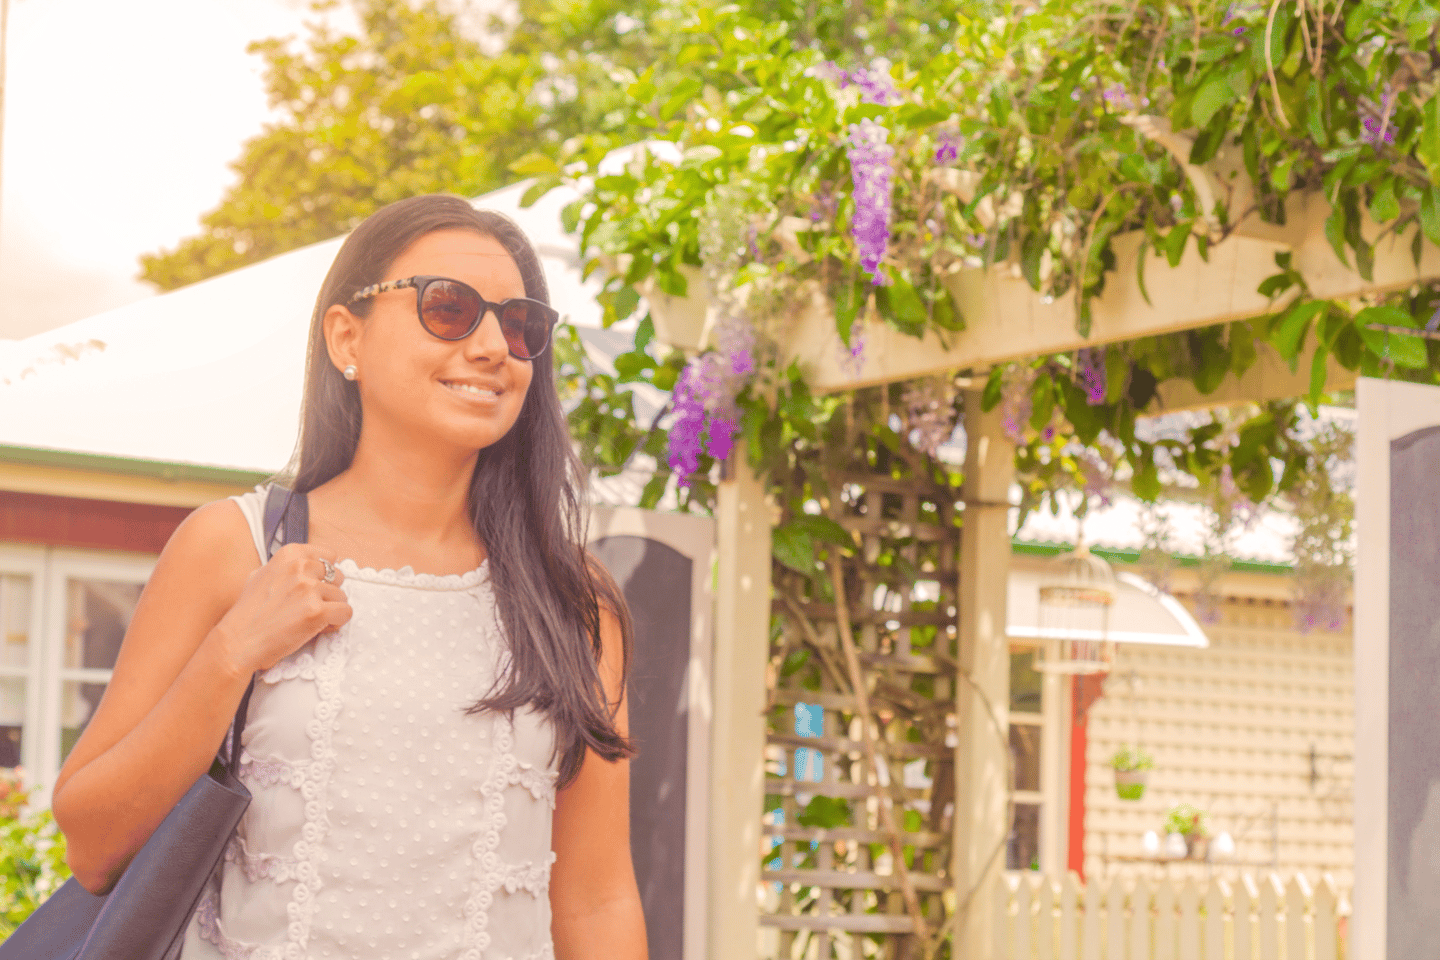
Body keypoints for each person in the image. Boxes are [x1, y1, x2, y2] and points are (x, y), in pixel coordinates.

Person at [49, 195, 648, 960]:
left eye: (520, 322)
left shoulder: (575, 601)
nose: (496, 344)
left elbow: (597, 903)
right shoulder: (233, 548)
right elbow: (94, 845)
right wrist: (232, 651)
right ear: (346, 337)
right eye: (450, 308)